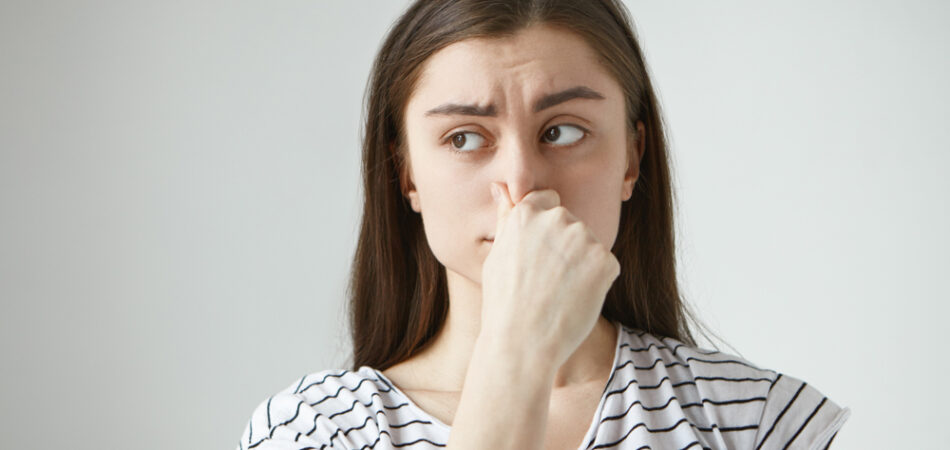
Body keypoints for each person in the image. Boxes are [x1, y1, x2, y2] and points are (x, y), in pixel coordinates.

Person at [235, 0, 850, 448]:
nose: (523, 181)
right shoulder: (311, 428)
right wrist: (519, 351)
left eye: (562, 131)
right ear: (408, 176)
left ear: (632, 159)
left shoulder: (762, 422)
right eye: (465, 137)